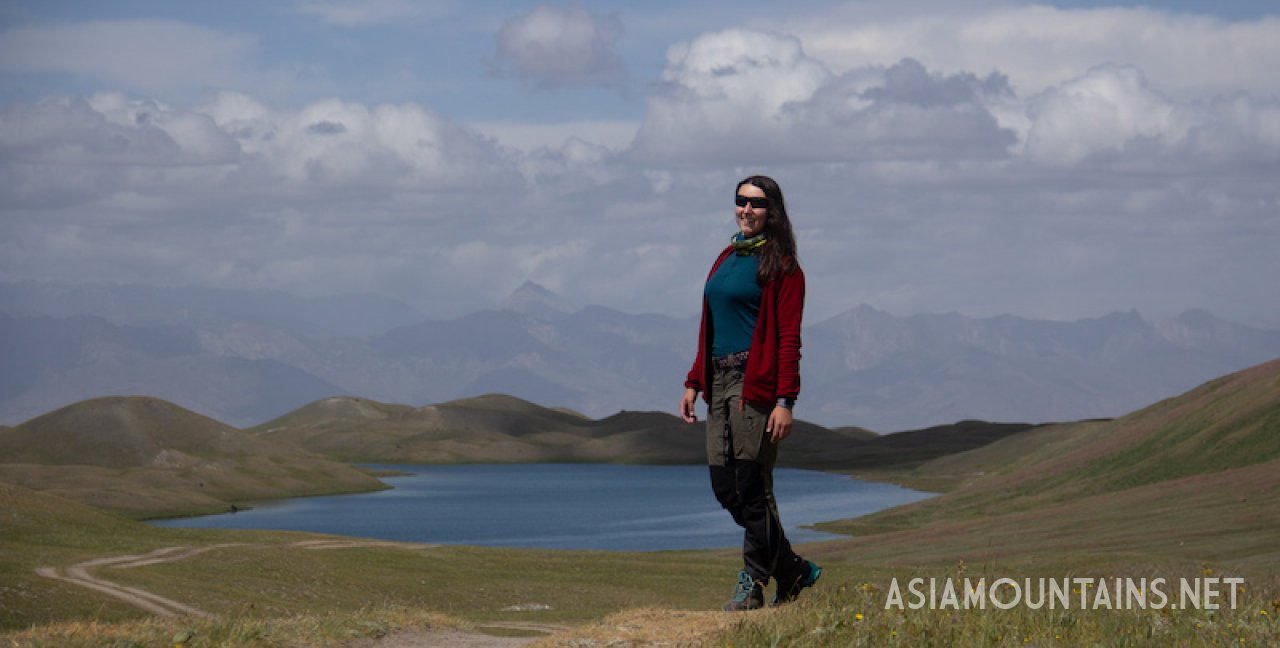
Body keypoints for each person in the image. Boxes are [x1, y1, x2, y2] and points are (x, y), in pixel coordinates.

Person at [680, 175, 821, 611]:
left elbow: (788, 340)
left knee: (752, 486)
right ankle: (793, 570)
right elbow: (711, 326)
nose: (746, 209)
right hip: (717, 383)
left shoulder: (783, 267)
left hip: (754, 383)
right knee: (726, 487)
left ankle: (752, 583)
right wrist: (693, 380)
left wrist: (785, 401)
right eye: (740, 201)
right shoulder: (726, 257)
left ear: (772, 212)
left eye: (756, 204)